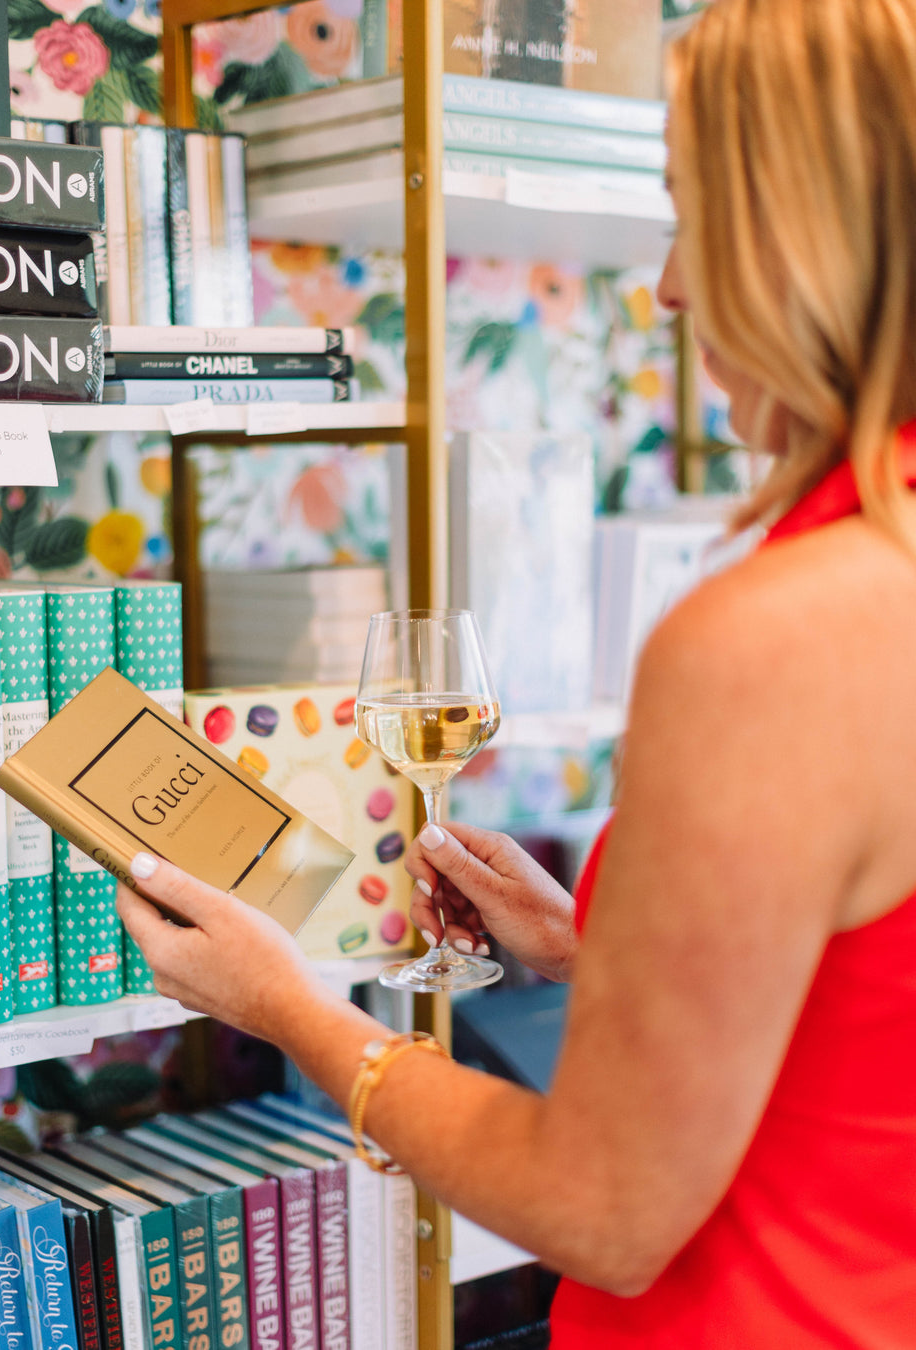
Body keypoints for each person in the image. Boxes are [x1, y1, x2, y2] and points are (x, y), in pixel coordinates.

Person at [116, 0, 916, 1341]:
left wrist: (293, 1006)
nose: (665, 288)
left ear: (796, 230)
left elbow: (602, 1208)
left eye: (688, 214)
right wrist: (603, 953)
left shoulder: (775, 638)